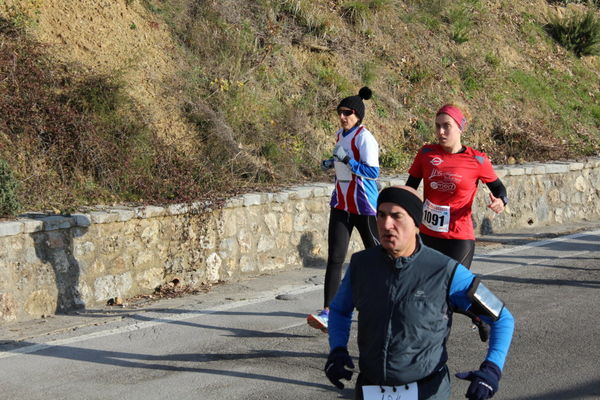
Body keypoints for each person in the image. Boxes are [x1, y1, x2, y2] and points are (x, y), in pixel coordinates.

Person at [324, 186, 514, 400]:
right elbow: (339, 310)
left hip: (426, 391)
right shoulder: (362, 264)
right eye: (381, 215)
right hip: (370, 389)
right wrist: (337, 349)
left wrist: (491, 369)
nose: (387, 225)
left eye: (397, 216)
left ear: (416, 224)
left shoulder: (445, 270)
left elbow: (503, 319)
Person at [307, 87, 380, 333]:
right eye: (340, 112)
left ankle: (389, 305)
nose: (343, 116)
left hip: (364, 206)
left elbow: (373, 173)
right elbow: (340, 161)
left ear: (358, 115)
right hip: (341, 203)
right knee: (335, 258)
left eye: (348, 113)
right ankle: (329, 312)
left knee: (380, 257)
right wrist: (331, 162)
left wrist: (348, 161)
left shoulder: (364, 138)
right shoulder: (340, 135)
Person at [406, 104, 508, 269]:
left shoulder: (478, 160)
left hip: (459, 238)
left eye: (447, 126)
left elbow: (498, 189)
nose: (441, 132)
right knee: (425, 289)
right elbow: (409, 188)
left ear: (460, 128)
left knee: (452, 288)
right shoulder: (426, 153)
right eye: (438, 126)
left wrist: (501, 201)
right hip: (428, 236)